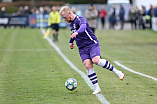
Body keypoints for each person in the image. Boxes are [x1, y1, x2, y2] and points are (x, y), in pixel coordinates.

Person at [59, 6, 124, 95]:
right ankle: (97, 88)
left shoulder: (80, 19)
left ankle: (117, 72)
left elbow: (83, 27)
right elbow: (72, 33)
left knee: (96, 60)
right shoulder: (71, 23)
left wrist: (77, 32)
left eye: (65, 17)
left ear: (69, 13)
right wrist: (71, 42)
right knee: (88, 65)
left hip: (92, 44)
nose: (64, 19)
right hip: (82, 48)